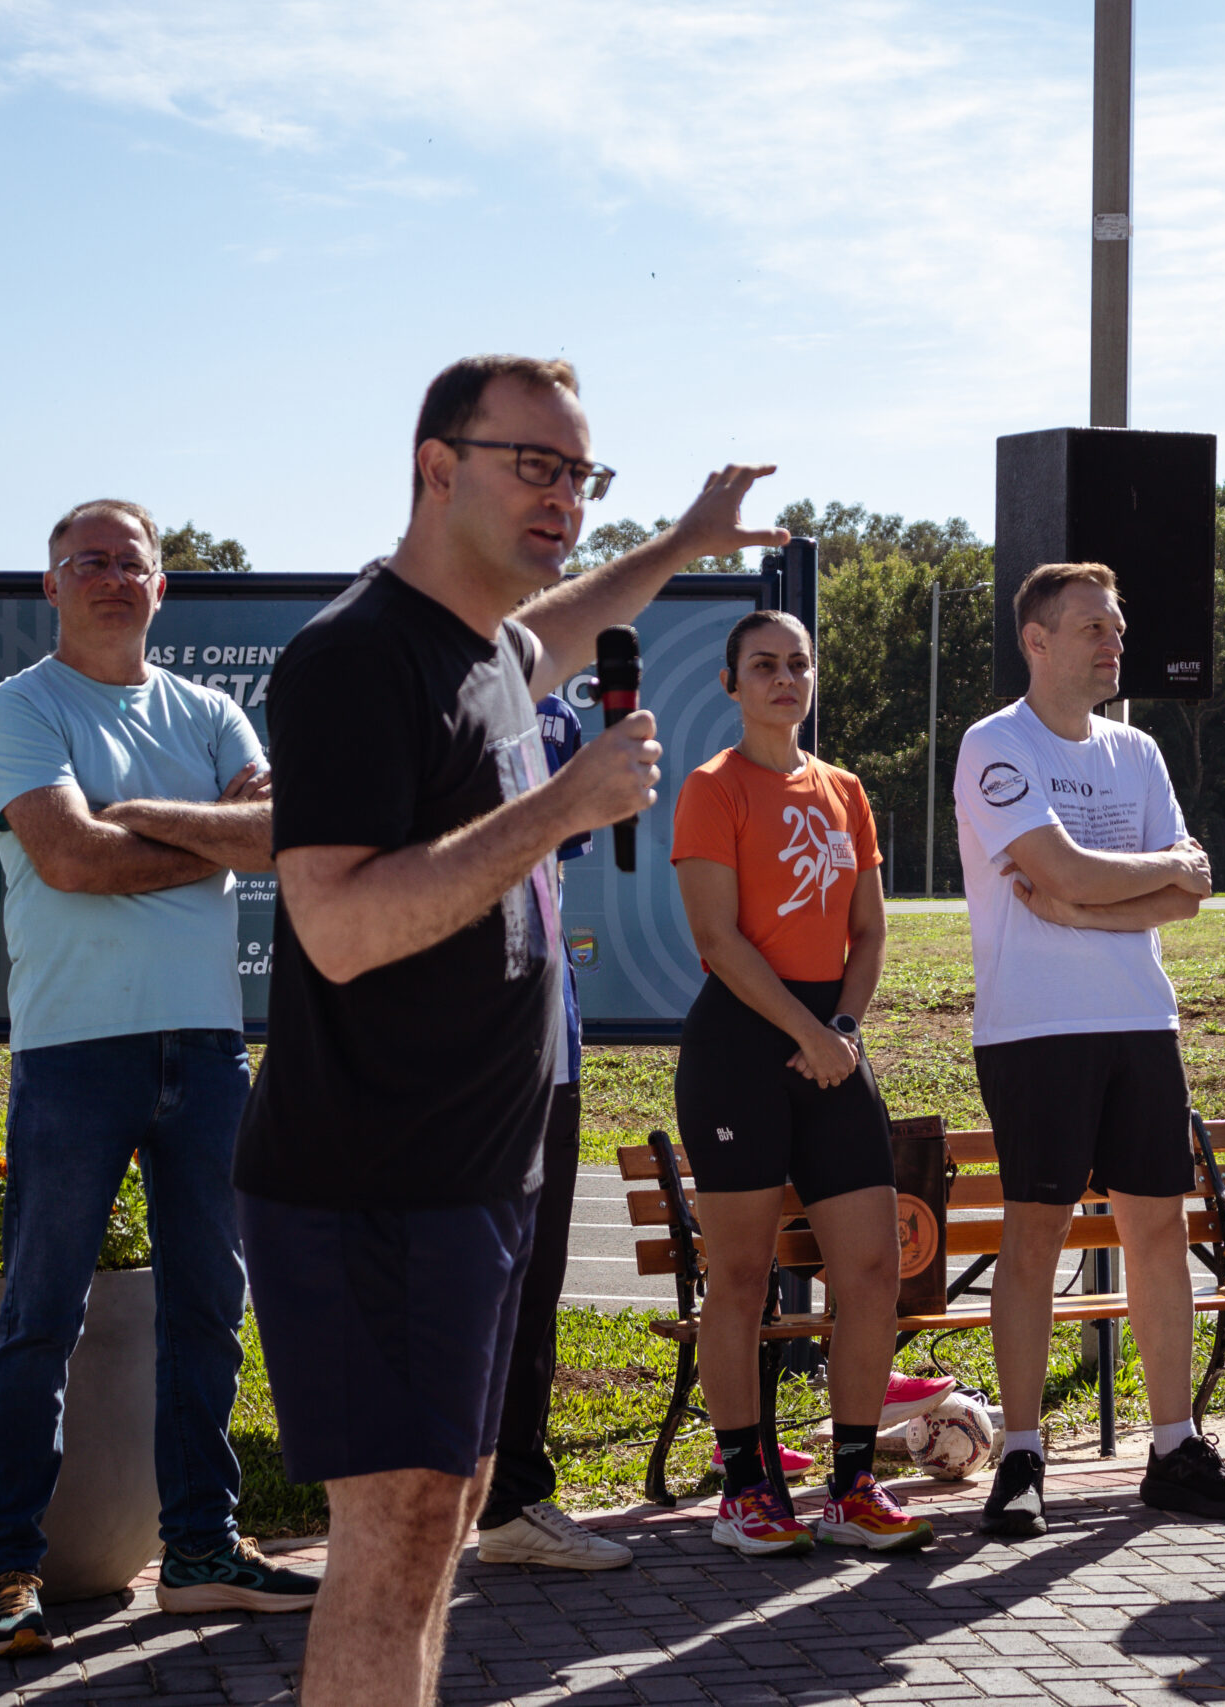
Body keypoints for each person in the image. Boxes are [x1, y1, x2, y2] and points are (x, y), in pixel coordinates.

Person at [232, 354, 783, 1707]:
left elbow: (571, 616)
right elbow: (337, 925)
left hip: (475, 1176)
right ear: (437, 466)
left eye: (580, 474)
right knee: (394, 1535)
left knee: (445, 1512)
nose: (564, 499)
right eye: (534, 465)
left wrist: (684, 542)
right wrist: (564, 804)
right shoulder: (355, 657)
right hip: (371, 1178)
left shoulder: (486, 648)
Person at [0, 499, 320, 1659]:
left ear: (163, 586)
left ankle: (202, 1554)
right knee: (41, 1317)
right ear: (52, 587)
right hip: (73, 1051)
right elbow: (68, 858)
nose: (113, 578)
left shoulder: (209, 710)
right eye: (89, 562)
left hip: (207, 1049)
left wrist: (145, 827)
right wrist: (209, 836)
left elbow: (277, 839)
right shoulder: (20, 708)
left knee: (210, 1311)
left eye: (132, 562)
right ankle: (9, 1569)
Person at [954, 561, 1225, 1538]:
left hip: (1142, 1022)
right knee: (1035, 1235)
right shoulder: (995, 744)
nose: (1113, 642)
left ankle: (1174, 1449)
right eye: (1093, 626)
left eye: (1117, 628)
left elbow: (1185, 896)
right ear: (1036, 641)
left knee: (1157, 1232)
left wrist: (1090, 906)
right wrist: (1131, 879)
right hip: (1034, 1030)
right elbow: (1065, 870)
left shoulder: (1138, 751)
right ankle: (1021, 1456)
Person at [670, 610, 929, 1556]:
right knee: (742, 1277)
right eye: (764, 665)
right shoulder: (712, 788)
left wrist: (842, 1032)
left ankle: (852, 1487)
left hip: (833, 1047)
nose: (784, 678)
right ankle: (746, 1492)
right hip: (741, 1048)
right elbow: (717, 938)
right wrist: (807, 1033)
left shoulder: (845, 790)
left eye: (798, 664)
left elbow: (870, 930)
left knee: (871, 1269)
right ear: (732, 684)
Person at [470, 688, 634, 1571]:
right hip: (448, 1049)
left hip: (546, 1041)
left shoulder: (557, 714)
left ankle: (513, 1501)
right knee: (442, 1282)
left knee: (533, 1287)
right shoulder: (416, 681)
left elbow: (552, 865)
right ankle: (414, 1504)